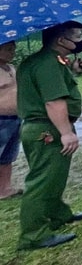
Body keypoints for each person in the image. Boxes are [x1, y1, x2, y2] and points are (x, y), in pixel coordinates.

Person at [17, 21, 82, 250]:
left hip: (44, 128)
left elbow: (55, 87)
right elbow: (53, 101)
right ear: (61, 40)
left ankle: (59, 215)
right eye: (76, 37)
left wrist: (74, 71)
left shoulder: (49, 61)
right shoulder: (47, 64)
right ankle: (33, 236)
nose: (80, 41)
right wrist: (66, 133)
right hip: (47, 129)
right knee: (42, 182)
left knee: (54, 178)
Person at [0, 41, 22, 200]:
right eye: (8, 49)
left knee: (9, 155)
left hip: (15, 118)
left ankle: (5, 188)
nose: (12, 52)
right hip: (1, 119)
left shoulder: (12, 68)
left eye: (13, 49)